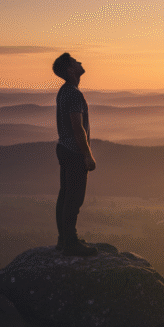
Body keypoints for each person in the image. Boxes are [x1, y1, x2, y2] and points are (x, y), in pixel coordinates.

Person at [52, 53, 98, 256]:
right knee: (74, 199)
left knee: (65, 196)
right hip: (74, 152)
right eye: (75, 62)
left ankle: (64, 239)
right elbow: (77, 127)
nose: (80, 62)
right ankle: (70, 243)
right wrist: (87, 155)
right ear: (71, 70)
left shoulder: (64, 92)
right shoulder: (73, 94)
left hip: (64, 149)